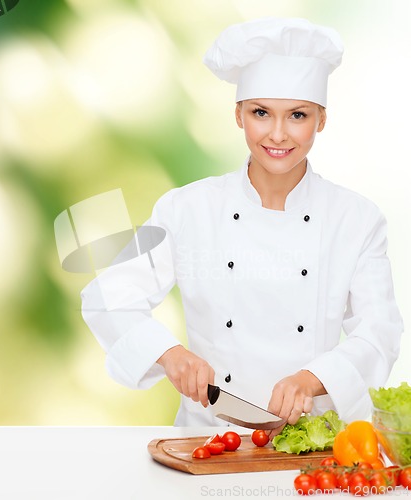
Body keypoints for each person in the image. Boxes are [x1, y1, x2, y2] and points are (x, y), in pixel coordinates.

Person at [81, 17, 403, 432]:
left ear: (321, 119)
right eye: (261, 113)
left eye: (298, 115)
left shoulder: (357, 219)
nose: (278, 134)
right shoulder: (187, 208)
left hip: (308, 442)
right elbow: (108, 296)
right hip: (208, 437)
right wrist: (169, 353)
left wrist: (313, 379)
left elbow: (380, 331)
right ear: (238, 115)